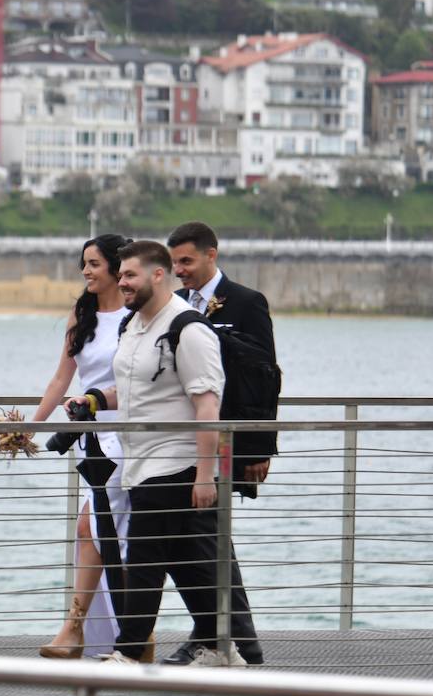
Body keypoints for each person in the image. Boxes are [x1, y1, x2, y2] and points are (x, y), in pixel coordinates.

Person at [78, 240, 251, 667]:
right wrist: (97, 398)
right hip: (138, 463)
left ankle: (128, 652)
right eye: (120, 276)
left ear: (158, 274)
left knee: (144, 559)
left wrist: (205, 476)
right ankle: (225, 645)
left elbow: (208, 405)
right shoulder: (133, 328)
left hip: (176, 462)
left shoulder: (189, 329)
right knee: (189, 561)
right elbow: (136, 389)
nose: (123, 283)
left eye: (130, 275)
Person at [164, 220, 273, 666]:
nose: (179, 271)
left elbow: (265, 379)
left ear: (212, 254)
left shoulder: (247, 302)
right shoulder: (170, 305)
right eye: (173, 264)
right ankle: (223, 636)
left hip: (227, 442)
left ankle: (227, 639)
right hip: (177, 441)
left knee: (210, 540)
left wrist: (260, 448)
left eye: (186, 261)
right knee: (198, 542)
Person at [30, 234, 138, 660]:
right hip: (95, 438)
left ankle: (77, 629)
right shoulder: (84, 312)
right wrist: (32, 427)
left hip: (132, 437)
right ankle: (127, 634)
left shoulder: (139, 314)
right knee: (110, 535)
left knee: (95, 529)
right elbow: (62, 377)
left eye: (93, 264)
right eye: (83, 264)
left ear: (116, 267)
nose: (86, 272)